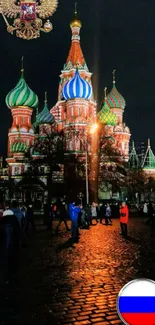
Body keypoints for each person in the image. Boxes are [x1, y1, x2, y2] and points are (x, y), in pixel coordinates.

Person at [2, 209, 27, 283]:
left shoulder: (3, 225)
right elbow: (21, 233)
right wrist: (24, 243)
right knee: (14, 261)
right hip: (15, 247)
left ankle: (8, 277)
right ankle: (14, 276)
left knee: (6, 262)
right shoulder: (16, 224)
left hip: (5, 249)